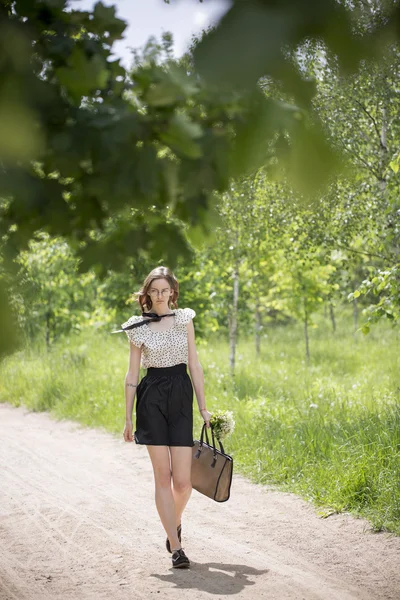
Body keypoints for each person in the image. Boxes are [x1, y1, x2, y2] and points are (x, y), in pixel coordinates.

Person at [121, 266, 211, 569]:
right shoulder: (137, 326)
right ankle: (176, 547)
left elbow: (195, 365)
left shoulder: (184, 319)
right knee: (163, 477)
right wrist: (128, 418)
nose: (160, 296)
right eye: (154, 291)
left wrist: (203, 407)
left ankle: (173, 522)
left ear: (173, 291)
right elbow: (132, 375)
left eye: (165, 290)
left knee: (183, 483)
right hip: (152, 399)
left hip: (181, 396)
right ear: (146, 294)